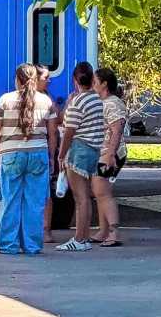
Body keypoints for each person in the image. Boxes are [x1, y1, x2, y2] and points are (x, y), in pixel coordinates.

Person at [0, 63, 58, 254]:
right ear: (35, 79)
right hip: (38, 154)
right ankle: (32, 245)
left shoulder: (5, 100)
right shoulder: (46, 101)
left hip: (11, 154)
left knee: (10, 200)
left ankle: (8, 245)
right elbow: (53, 133)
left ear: (17, 79)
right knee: (35, 202)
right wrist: (52, 157)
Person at [56, 62, 105, 252]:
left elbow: (69, 131)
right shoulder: (96, 99)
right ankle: (84, 238)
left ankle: (78, 238)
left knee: (80, 197)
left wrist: (61, 154)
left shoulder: (78, 101)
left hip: (78, 149)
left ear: (75, 80)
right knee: (86, 197)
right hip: (93, 150)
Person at [89, 67, 127, 247]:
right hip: (102, 152)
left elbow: (117, 129)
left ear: (104, 83)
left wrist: (110, 154)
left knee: (102, 192)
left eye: (95, 81)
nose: (92, 84)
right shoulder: (103, 102)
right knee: (99, 192)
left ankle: (114, 232)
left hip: (108, 154)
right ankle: (103, 230)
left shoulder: (112, 103)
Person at [36, 64, 60, 243]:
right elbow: (53, 130)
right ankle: (42, 230)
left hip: (38, 150)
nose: (49, 81)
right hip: (39, 150)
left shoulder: (47, 97)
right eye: (46, 78)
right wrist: (52, 155)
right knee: (43, 191)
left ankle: (45, 229)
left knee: (45, 191)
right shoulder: (43, 99)